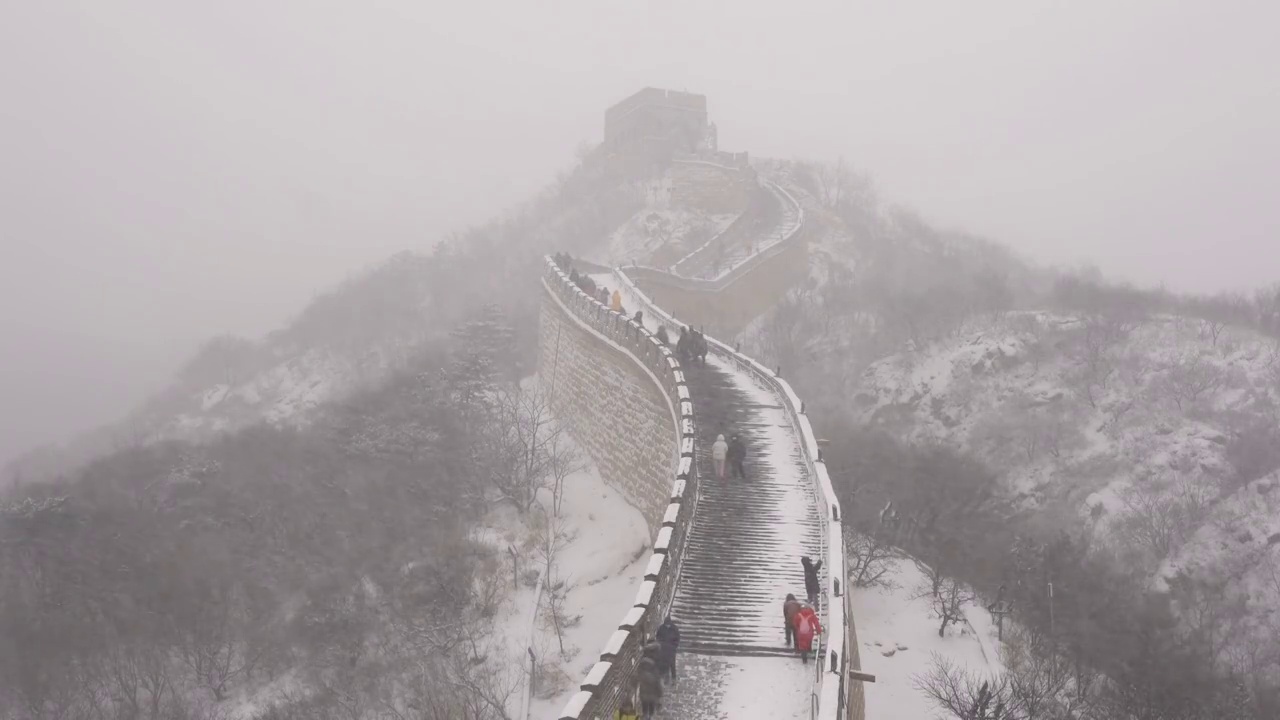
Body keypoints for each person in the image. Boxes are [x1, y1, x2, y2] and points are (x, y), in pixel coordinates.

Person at [637, 652, 663, 716]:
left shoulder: (641, 673)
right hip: (651, 695)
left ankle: (646, 715)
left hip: (645, 695)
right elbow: (658, 685)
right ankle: (649, 716)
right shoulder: (655, 674)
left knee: (645, 707)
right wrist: (660, 694)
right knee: (650, 707)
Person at [656, 616, 680, 683]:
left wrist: (674, 646)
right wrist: (661, 644)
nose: (667, 626)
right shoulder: (661, 628)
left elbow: (677, 638)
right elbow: (658, 637)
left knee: (672, 664)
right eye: (666, 624)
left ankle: (673, 679)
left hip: (671, 650)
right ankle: (666, 678)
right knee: (664, 664)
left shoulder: (674, 628)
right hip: (663, 650)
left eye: (668, 624)